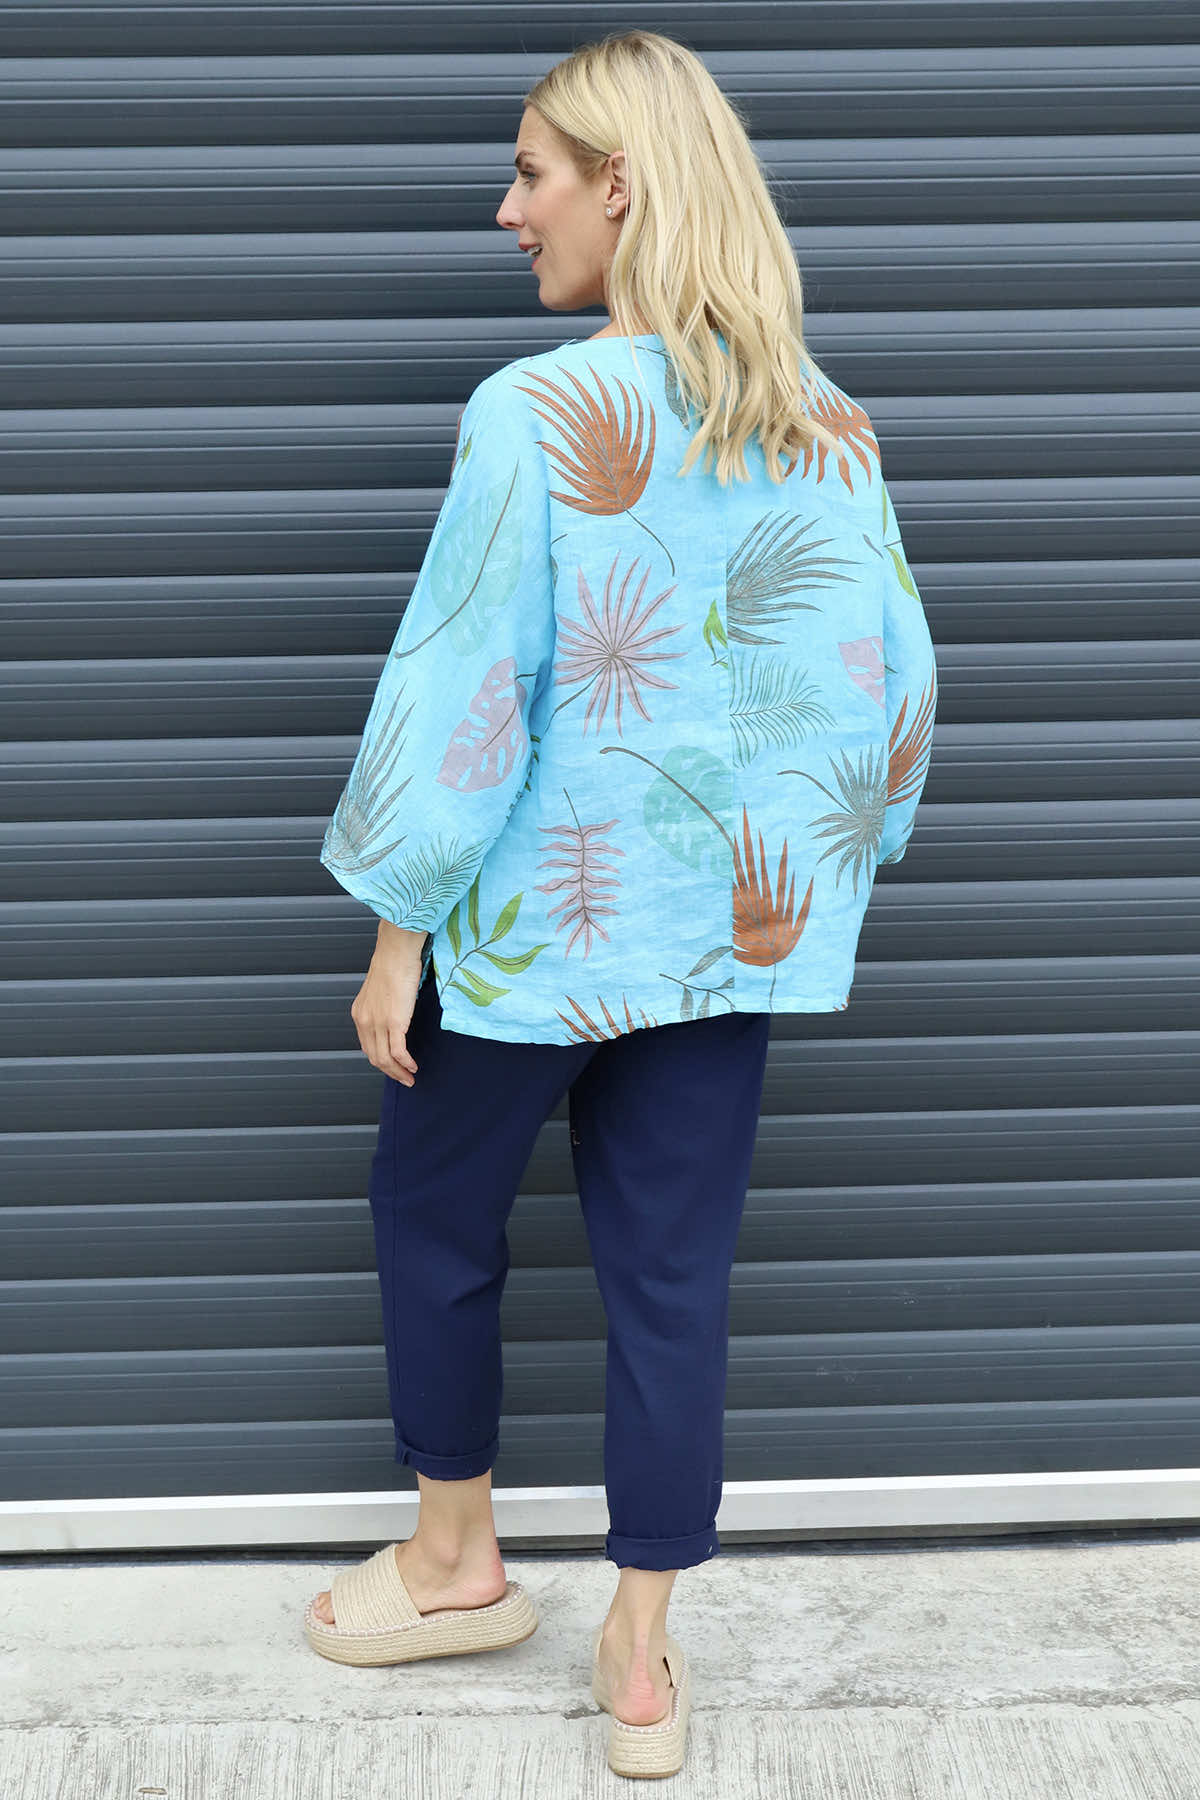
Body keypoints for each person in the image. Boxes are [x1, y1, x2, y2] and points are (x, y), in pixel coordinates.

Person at [305, 27, 937, 1780]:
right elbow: (898, 691)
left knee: (433, 1208)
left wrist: (399, 926)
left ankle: (456, 1560)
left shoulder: (535, 412)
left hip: (529, 941)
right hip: (725, 944)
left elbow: (465, 683)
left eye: (532, 174)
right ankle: (642, 1660)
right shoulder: (826, 424)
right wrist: (831, 873)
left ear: (622, 185)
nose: (509, 211)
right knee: (673, 1275)